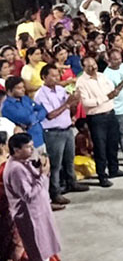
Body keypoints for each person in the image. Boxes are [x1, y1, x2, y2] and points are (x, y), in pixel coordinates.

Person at [2, 133, 60, 261]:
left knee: (45, 252)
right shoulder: (15, 169)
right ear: (16, 150)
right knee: (38, 254)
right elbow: (28, 195)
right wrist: (43, 175)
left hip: (40, 212)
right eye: (28, 147)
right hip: (30, 217)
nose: (32, 149)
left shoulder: (24, 162)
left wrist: (41, 170)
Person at [73, 56, 123, 188]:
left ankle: (114, 169)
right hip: (96, 117)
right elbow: (86, 102)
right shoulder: (81, 82)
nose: (93, 68)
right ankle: (102, 176)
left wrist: (109, 97)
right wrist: (104, 98)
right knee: (100, 147)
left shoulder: (102, 76)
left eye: (94, 65)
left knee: (113, 143)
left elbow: (111, 90)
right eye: (89, 66)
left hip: (110, 113)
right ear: (83, 68)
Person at [33, 67, 83, 206]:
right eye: (53, 76)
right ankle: (55, 193)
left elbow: (70, 106)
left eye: (57, 75)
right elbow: (50, 115)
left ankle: (71, 182)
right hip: (53, 132)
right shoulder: (40, 94)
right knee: (55, 165)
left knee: (69, 159)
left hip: (66, 129)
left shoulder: (61, 90)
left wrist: (75, 101)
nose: (56, 78)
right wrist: (67, 104)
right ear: (44, 77)